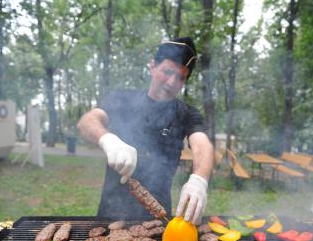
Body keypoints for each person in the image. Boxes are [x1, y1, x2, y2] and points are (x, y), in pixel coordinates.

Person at [77, 37, 214, 225]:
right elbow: (87, 121)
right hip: (110, 216)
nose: (171, 82)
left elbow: (202, 145)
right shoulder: (122, 99)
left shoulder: (187, 113)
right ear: (152, 66)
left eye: (181, 77)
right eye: (167, 72)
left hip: (157, 219)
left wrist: (199, 180)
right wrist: (108, 140)